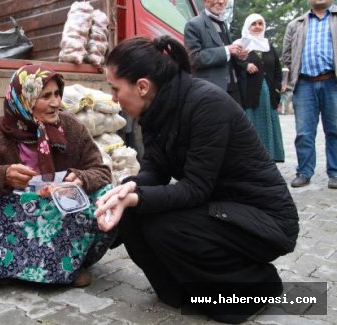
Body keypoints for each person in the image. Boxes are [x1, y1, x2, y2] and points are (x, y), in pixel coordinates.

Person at [94, 36, 299, 323]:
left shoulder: (207, 104)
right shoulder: (155, 109)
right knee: (131, 210)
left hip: (265, 219)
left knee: (165, 227)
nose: (113, 98)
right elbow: (155, 170)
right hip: (219, 207)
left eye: (115, 89)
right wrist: (129, 188)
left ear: (142, 86)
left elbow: (195, 188)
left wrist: (137, 197)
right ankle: (179, 291)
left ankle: (257, 287)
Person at [0, 64, 115, 286]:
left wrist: (80, 179)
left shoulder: (71, 128)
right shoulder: (0, 136)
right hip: (21, 213)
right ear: (23, 100)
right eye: (45, 96)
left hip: (59, 209)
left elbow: (101, 171)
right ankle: (6, 266)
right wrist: (3, 175)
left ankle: (70, 266)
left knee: (108, 195)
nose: (55, 103)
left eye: (57, 94)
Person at [282, 0, 337, 189]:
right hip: (304, 83)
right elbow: (287, 55)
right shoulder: (295, 24)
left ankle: (335, 173)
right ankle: (304, 172)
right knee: (304, 133)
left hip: (333, 82)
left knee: (335, 130)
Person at [184, 0, 248, 105]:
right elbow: (194, 58)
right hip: (212, 92)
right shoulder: (194, 24)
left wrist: (239, 55)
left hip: (234, 91)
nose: (221, 2)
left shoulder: (223, 24)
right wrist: (227, 50)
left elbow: (228, 56)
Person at [241, 13, 285, 162]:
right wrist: (245, 65)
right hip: (250, 96)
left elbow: (278, 70)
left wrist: (277, 87)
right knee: (252, 127)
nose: (257, 27)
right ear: (248, 26)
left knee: (269, 126)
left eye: (260, 23)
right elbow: (233, 66)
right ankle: (253, 162)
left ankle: (270, 159)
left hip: (269, 97)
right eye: (254, 24)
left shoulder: (268, 46)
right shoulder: (241, 45)